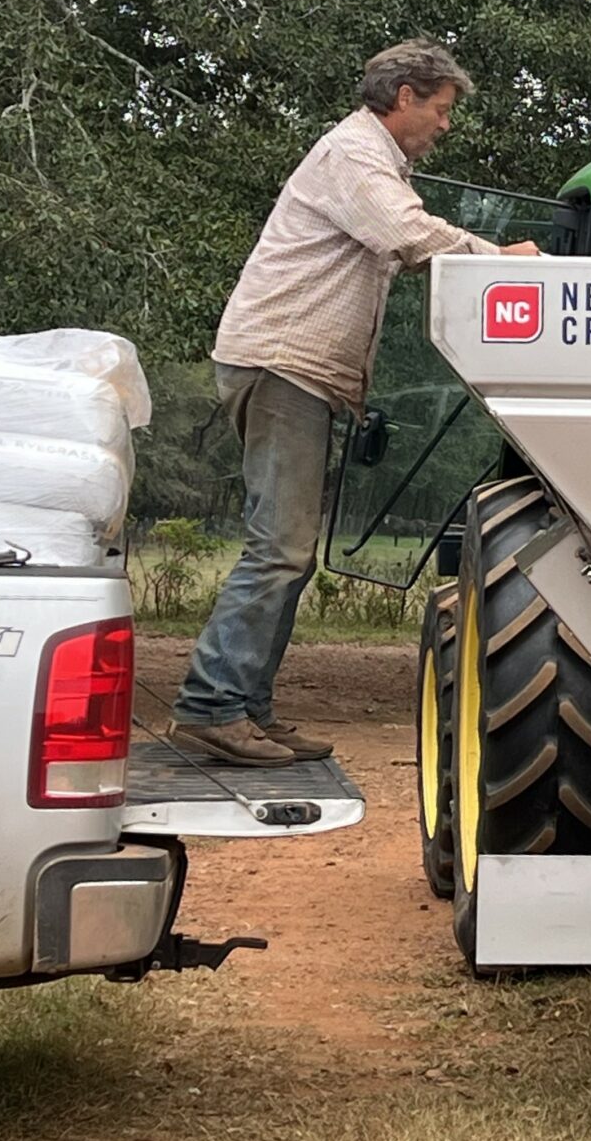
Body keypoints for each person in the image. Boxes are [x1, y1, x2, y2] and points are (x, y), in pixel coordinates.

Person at [170, 39, 538, 767]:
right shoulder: (355, 157)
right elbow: (407, 236)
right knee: (279, 547)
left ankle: (247, 707)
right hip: (283, 365)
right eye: (440, 109)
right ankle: (213, 704)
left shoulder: (370, 159)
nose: (445, 125)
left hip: (292, 368)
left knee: (290, 549)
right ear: (404, 96)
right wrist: (502, 262)